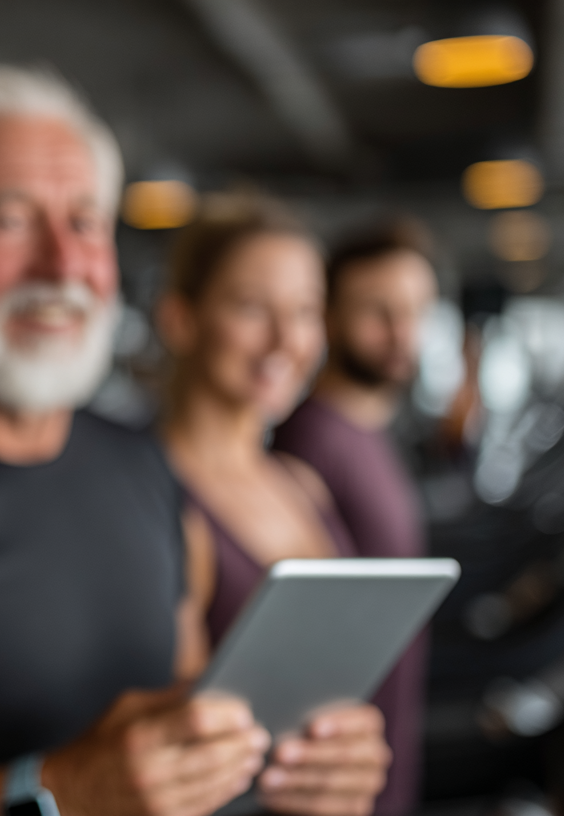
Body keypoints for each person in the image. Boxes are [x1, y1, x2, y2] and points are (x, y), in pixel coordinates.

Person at [0, 67, 382, 816]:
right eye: (10, 219)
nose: (63, 266)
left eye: (85, 222)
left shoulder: (142, 463)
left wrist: (294, 770)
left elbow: (195, 728)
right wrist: (57, 792)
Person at [155, 194, 394, 816]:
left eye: (306, 311)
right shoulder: (158, 502)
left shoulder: (300, 482)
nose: (287, 339)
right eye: (252, 307)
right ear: (181, 318)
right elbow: (181, 762)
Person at [270, 219, 439, 815]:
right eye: (378, 311)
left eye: (416, 310)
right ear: (330, 318)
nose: (401, 333)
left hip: (384, 762)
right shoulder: (311, 440)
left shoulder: (369, 431)